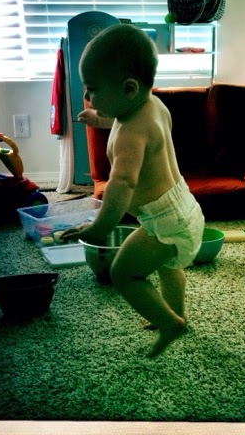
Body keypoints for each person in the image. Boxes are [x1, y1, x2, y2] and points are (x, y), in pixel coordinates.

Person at [61, 23, 204, 357]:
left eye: (93, 89)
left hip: (164, 220)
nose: (87, 97)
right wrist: (99, 118)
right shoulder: (152, 106)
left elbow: (122, 183)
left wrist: (99, 227)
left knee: (123, 273)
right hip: (184, 208)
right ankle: (176, 313)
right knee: (169, 267)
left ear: (128, 88)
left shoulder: (129, 135)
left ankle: (170, 323)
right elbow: (125, 119)